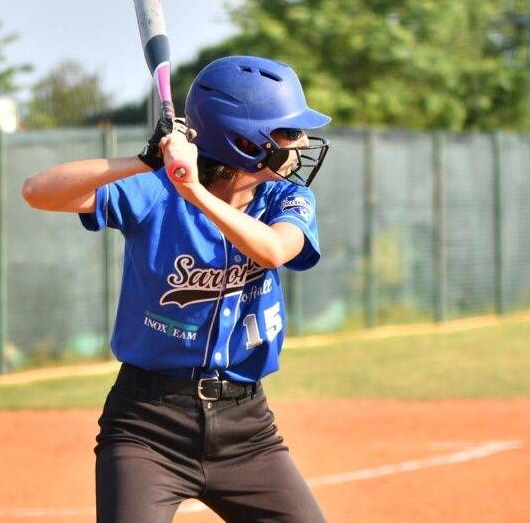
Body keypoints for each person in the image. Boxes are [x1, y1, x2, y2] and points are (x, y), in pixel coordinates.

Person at [22, 55, 331, 522]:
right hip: (148, 425)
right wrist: (143, 161)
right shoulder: (155, 190)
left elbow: (271, 250)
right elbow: (38, 191)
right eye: (286, 133)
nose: (302, 142)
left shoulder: (284, 197)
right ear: (245, 143)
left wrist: (197, 193)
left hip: (247, 429)